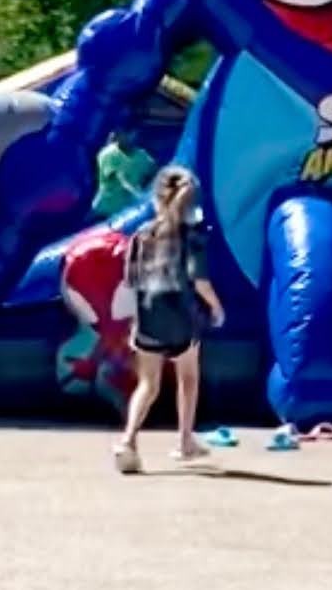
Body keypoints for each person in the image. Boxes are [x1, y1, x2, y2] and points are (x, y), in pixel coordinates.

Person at [113, 166, 224, 473]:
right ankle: (185, 441)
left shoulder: (140, 235)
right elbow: (199, 280)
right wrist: (216, 308)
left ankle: (128, 441)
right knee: (188, 378)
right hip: (180, 315)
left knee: (147, 385)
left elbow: (130, 280)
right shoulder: (193, 236)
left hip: (148, 314)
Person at [92, 127, 155, 220]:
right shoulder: (107, 154)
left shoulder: (142, 156)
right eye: (119, 134)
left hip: (127, 212)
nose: (122, 137)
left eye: (126, 134)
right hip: (105, 210)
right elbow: (119, 178)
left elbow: (154, 172)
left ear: (134, 134)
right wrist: (138, 195)